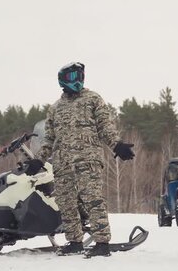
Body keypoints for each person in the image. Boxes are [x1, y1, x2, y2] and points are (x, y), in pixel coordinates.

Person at [25, 62, 135, 258]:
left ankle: (102, 242)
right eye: (71, 77)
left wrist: (116, 145)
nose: (77, 80)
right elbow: (49, 138)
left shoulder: (93, 99)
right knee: (66, 202)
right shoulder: (55, 108)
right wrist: (38, 160)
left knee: (93, 200)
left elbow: (105, 127)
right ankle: (75, 241)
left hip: (88, 159)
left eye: (80, 75)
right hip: (62, 162)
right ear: (62, 80)